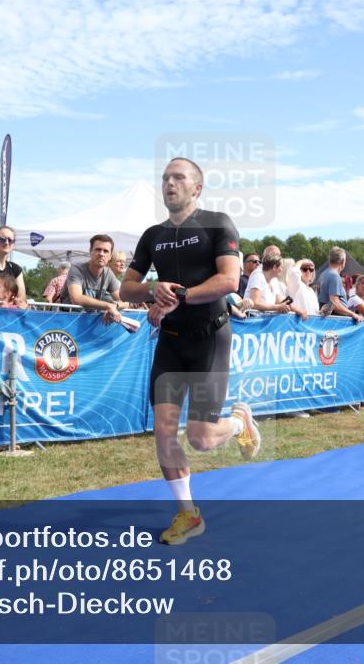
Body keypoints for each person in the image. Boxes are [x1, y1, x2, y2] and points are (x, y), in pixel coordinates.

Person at [119, 157, 259, 546]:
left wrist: (178, 295)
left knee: (200, 439)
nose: (170, 183)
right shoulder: (152, 235)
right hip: (170, 342)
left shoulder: (217, 223)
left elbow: (230, 280)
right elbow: (125, 289)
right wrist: (152, 290)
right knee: (163, 431)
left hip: (210, 338)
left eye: (179, 178)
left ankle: (237, 422)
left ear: (196, 188)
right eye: (165, 178)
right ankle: (188, 514)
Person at [60, 234, 127, 323]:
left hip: (89, 323)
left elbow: (125, 302)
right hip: (67, 321)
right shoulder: (76, 269)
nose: (101, 254)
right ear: (90, 252)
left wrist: (114, 306)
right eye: (98, 249)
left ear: (110, 256)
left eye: (106, 251)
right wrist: (108, 306)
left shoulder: (108, 273)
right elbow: (76, 298)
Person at [246, 254, 306, 319]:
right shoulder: (257, 276)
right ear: (274, 267)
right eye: (281, 267)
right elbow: (255, 303)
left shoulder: (274, 280)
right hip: (251, 322)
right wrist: (277, 307)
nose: (282, 270)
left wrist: (298, 310)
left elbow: (281, 301)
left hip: (265, 322)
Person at [317, 247, 362, 320]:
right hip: (336, 321)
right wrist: (352, 314)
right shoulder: (334, 276)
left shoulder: (324, 274)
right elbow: (334, 304)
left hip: (328, 319)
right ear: (343, 260)